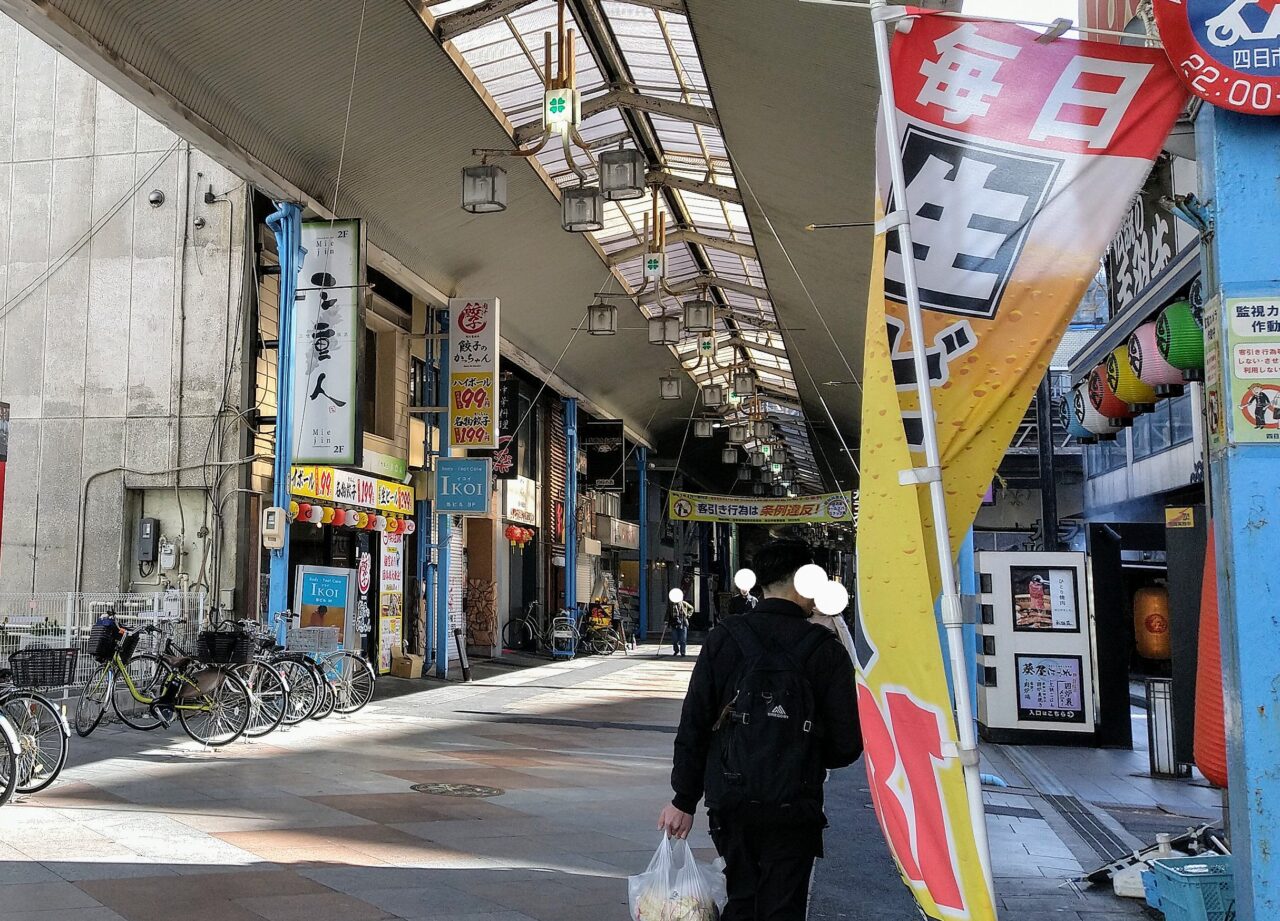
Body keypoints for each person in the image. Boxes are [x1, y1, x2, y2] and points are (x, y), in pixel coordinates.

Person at [659, 539, 862, 921]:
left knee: (742, 897)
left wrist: (684, 798)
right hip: (794, 805)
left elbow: (695, 722)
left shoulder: (725, 637)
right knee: (782, 907)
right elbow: (847, 744)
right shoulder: (826, 650)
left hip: (731, 800)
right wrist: (802, 751)